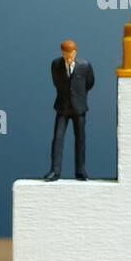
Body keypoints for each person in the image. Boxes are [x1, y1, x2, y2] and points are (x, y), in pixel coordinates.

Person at [43, 40, 95, 181]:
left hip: (79, 107)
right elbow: (56, 83)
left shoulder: (84, 66)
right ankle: (55, 171)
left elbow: (89, 82)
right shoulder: (56, 65)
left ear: (75, 52)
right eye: (66, 54)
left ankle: (80, 171)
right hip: (62, 106)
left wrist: (79, 96)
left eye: (71, 53)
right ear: (62, 53)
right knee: (58, 138)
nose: (68, 57)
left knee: (80, 140)